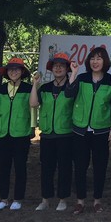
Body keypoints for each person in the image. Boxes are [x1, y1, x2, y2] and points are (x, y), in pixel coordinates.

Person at [65, 47, 111, 214]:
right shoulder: (82, 78)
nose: (95, 62)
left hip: (101, 130)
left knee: (100, 167)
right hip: (80, 130)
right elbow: (68, 93)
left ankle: (97, 200)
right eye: (93, 58)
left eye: (99, 58)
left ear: (105, 61)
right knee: (80, 166)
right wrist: (74, 73)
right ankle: (80, 201)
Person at [0, 58, 33, 211]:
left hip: (21, 134)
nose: (13, 72)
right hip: (2, 133)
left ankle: (18, 199)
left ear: (22, 72)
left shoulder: (29, 89)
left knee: (20, 167)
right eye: (11, 69)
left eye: (17, 69)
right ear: (6, 72)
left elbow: (33, 108)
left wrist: (32, 128)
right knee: (3, 168)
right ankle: (3, 199)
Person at [30, 52, 74, 211]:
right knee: (46, 168)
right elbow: (33, 103)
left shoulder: (71, 86)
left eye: (62, 66)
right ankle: (45, 200)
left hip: (66, 134)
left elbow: (73, 96)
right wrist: (35, 85)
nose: (58, 68)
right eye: (55, 66)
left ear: (67, 69)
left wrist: (73, 75)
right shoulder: (45, 88)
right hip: (47, 134)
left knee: (64, 168)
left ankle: (63, 199)